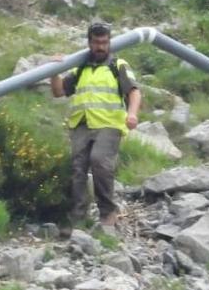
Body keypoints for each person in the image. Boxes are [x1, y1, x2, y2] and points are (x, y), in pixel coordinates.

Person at [49, 22, 142, 231]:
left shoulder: (117, 65)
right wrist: (54, 72)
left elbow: (134, 92)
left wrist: (132, 114)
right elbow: (58, 92)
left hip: (109, 124)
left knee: (99, 160)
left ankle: (108, 211)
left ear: (109, 42)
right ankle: (77, 218)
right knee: (77, 169)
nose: (101, 47)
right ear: (89, 43)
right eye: (96, 42)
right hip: (81, 124)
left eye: (104, 42)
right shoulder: (80, 67)